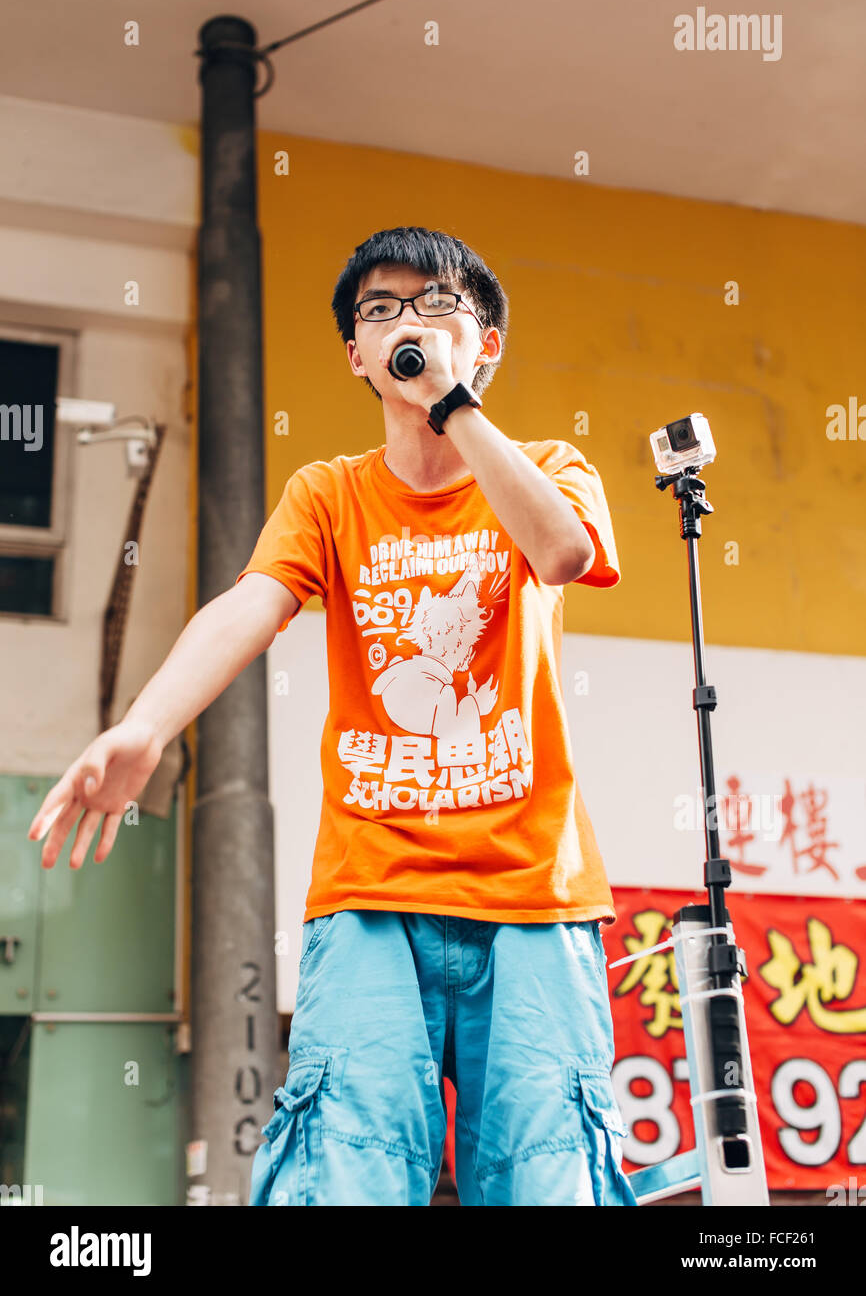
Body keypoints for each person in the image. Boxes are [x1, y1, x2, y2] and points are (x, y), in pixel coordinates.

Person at [26, 225, 636, 1207]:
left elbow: (561, 553)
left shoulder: (544, 465)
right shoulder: (328, 493)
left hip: (533, 893)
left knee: (548, 1172)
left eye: (435, 306)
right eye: (379, 310)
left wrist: (456, 407)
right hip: (370, 891)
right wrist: (143, 726)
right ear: (354, 353)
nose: (405, 323)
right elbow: (248, 607)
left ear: (486, 342)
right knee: (344, 1169)